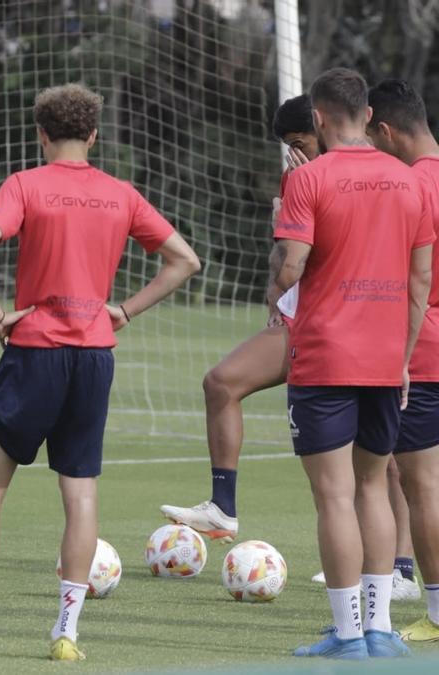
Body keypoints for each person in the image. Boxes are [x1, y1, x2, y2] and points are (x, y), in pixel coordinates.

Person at [0, 83, 200, 661]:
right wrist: (123, 311)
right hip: (95, 355)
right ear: (93, 135)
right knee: (80, 491)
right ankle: (66, 637)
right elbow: (185, 260)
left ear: (41, 133)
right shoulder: (120, 193)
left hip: (36, 350)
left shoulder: (26, 184)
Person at [273, 68, 431, 660]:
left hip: (325, 357)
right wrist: (405, 356)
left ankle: (345, 633)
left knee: (334, 497)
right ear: (368, 116)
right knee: (373, 488)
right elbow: (420, 280)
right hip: (387, 359)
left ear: (317, 118)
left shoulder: (308, 179)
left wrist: (276, 292)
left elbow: (292, 266)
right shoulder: (410, 182)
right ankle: (382, 628)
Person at [159, 95, 315, 542]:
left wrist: (286, 274)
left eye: (299, 141)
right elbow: (283, 260)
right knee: (221, 383)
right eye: (287, 145)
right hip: (300, 317)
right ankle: (222, 507)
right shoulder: (297, 176)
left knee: (372, 451)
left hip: (339, 321)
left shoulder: (348, 176)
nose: (293, 153)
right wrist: (281, 234)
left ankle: (394, 568)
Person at [365, 77, 439, 642]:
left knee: (421, 486)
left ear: (386, 131)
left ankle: (436, 616)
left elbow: (404, 277)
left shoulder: (410, 187)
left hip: (427, 352)